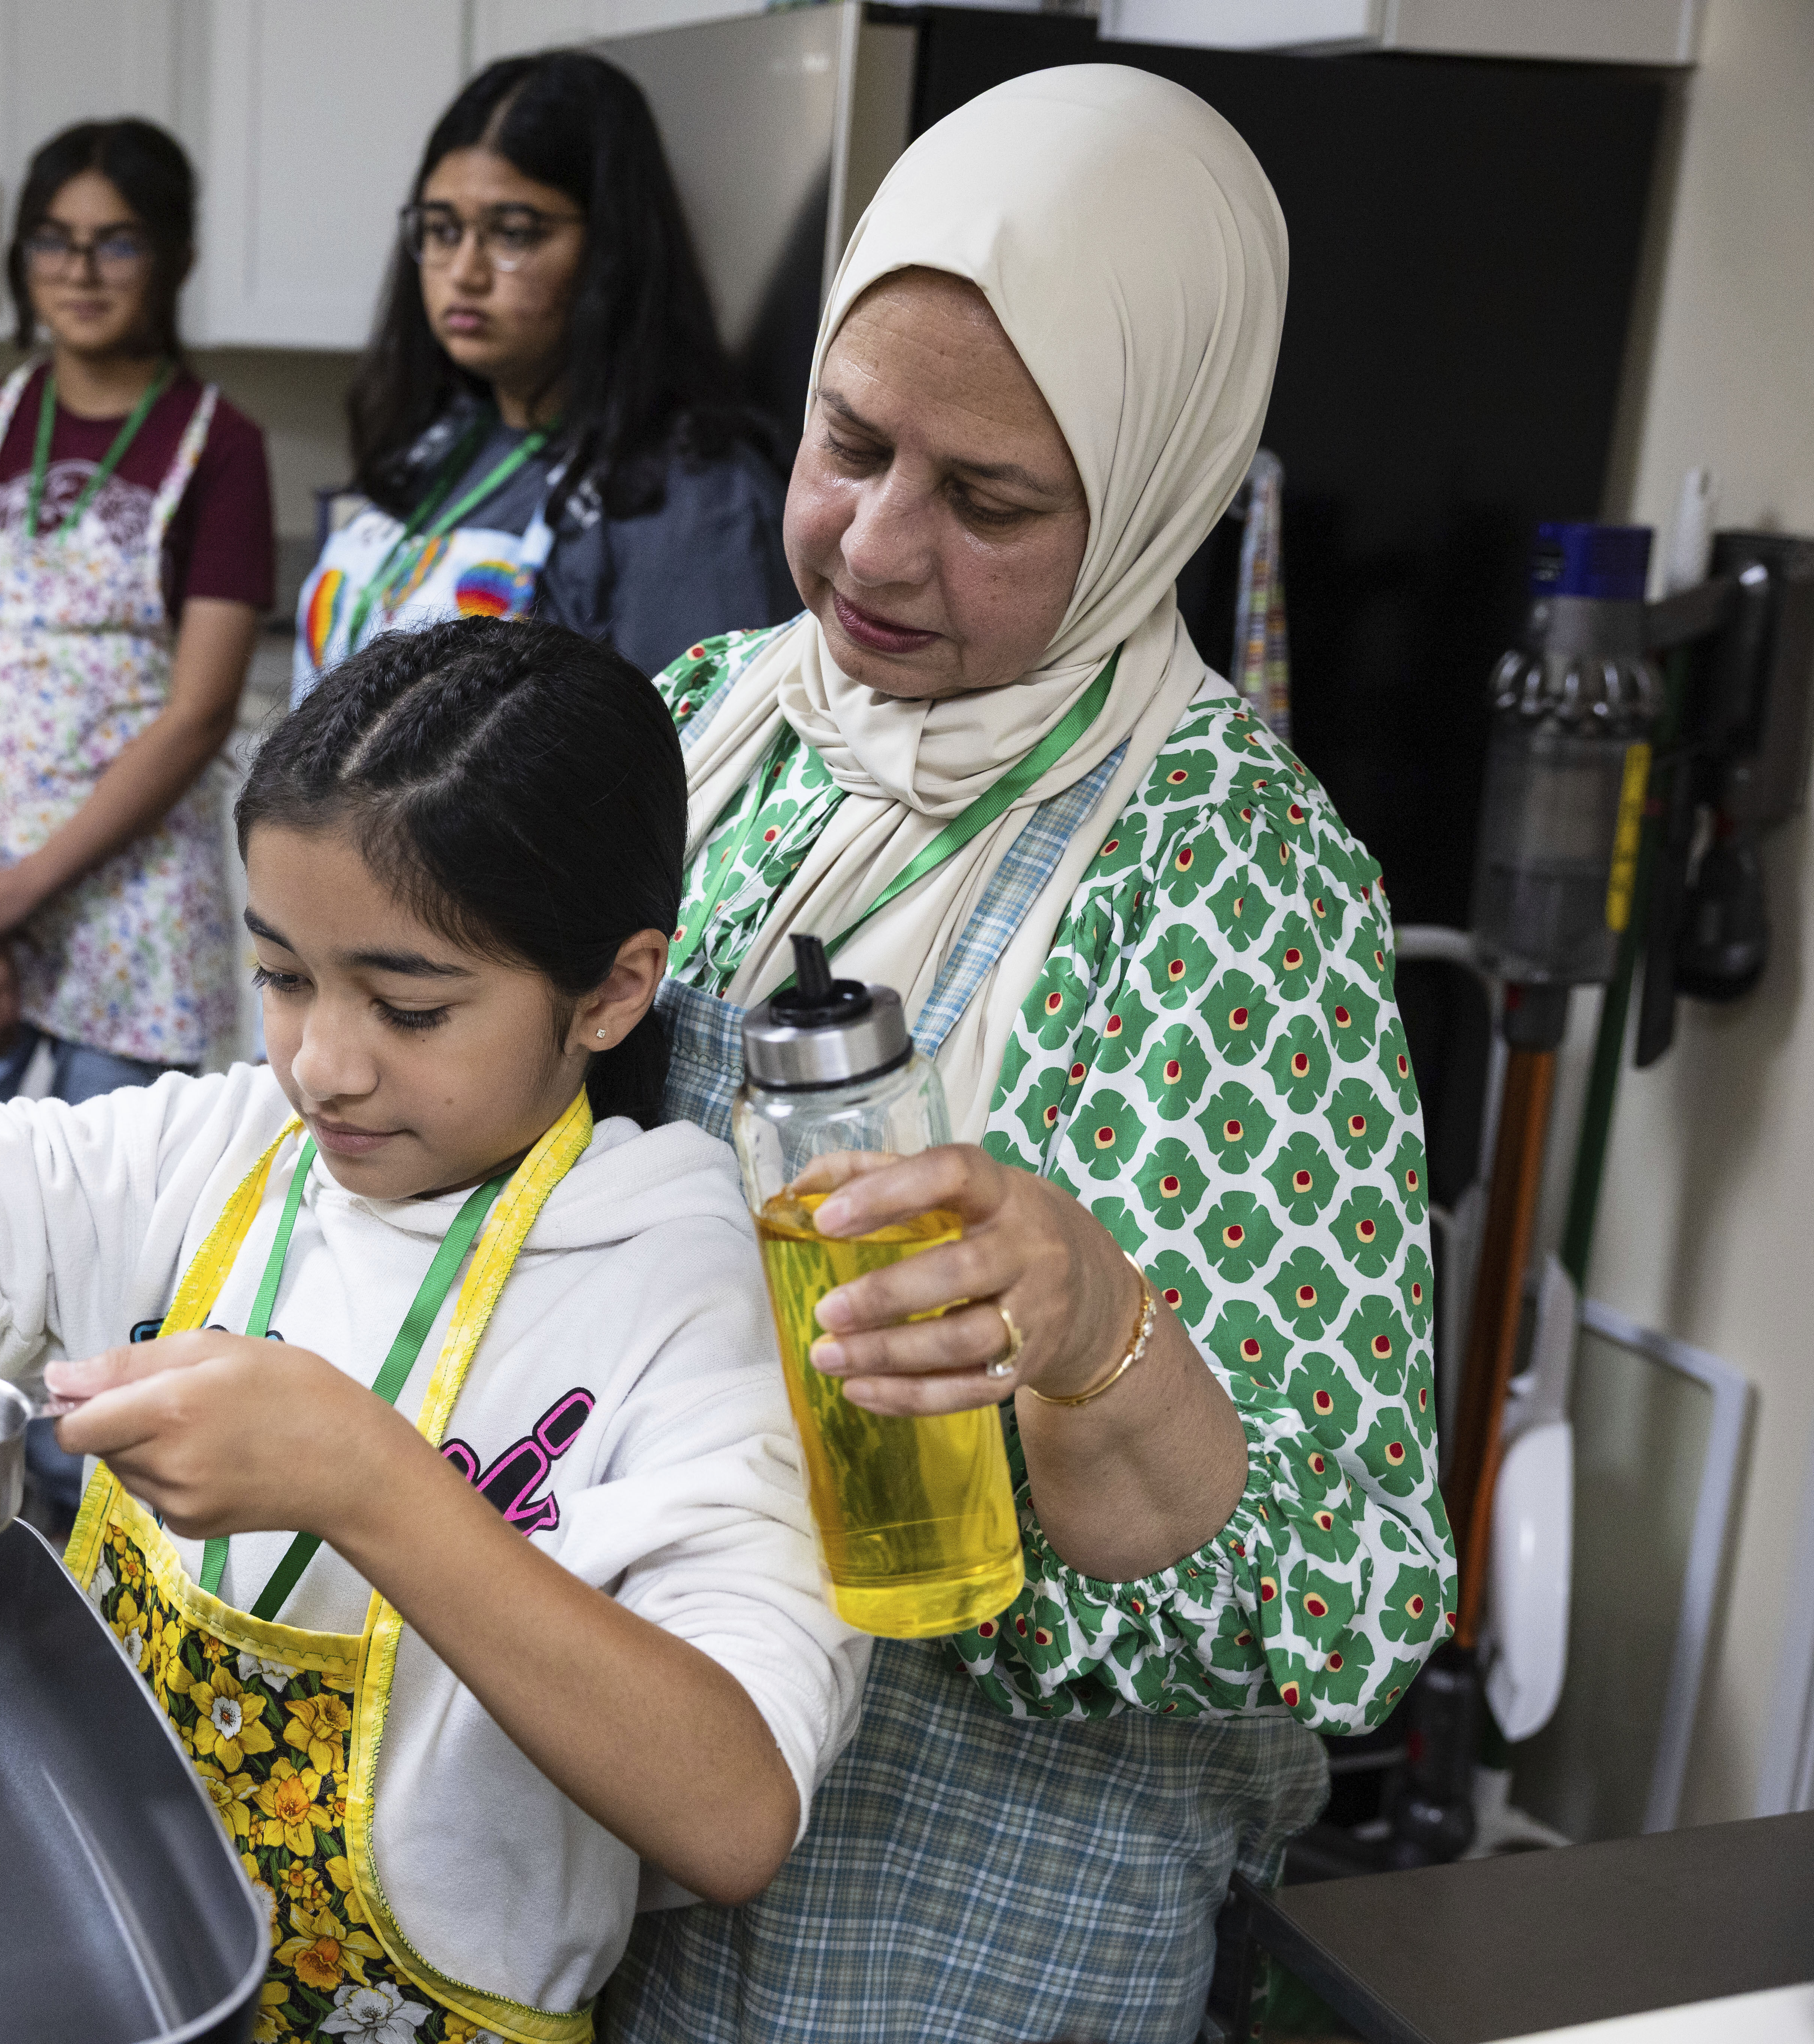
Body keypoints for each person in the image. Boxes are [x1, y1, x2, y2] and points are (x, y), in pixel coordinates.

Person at [0, 617, 863, 2042]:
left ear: (613, 989)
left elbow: (735, 1803)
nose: (323, 1063)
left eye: (407, 1004)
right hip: (126, 1965)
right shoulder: (227, 1156)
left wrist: (368, 1481)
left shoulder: (679, 1278)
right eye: (282, 977)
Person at [597, 68, 1454, 2044]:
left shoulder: (1239, 890)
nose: (878, 550)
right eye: (847, 443)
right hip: (618, 1801)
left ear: (1154, 486)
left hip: (958, 1908)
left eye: (986, 501)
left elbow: (1350, 1596)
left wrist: (1095, 1342)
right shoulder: (717, 725)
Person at [0, 117, 272, 1147]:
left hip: (131, 904)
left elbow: (199, 716)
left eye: (120, 241)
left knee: (109, 1239)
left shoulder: (222, 447)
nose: (81, 270)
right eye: (54, 239)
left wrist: (21, 893)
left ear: (177, 258)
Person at [293, 50, 794, 697]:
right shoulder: (442, 441)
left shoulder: (696, 501)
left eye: (514, 233)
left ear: (612, 248)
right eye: (443, 231)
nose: (465, 274)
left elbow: (697, 768)